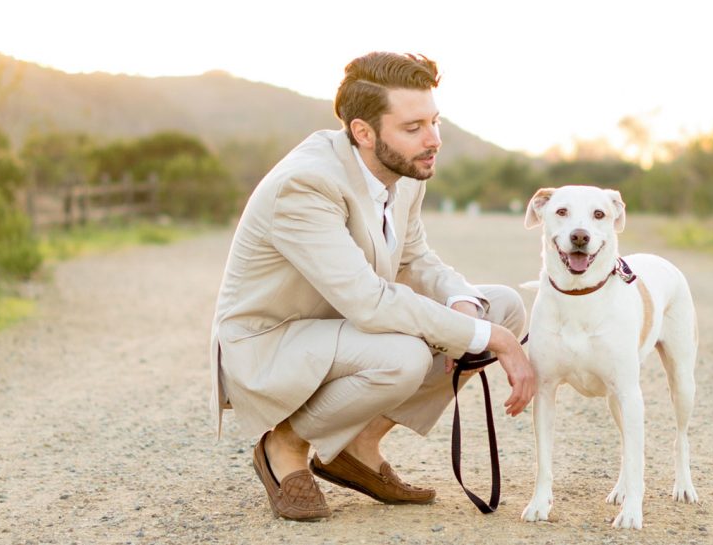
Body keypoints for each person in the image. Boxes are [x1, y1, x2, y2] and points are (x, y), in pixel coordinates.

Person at [210, 51, 534, 521]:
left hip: (344, 328)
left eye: (434, 122)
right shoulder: (306, 183)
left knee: (498, 306)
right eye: (414, 127)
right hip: (273, 341)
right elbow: (368, 303)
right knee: (404, 356)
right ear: (363, 131)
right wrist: (487, 339)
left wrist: (464, 305)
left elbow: (414, 258)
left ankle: (357, 446)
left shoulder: (403, 169)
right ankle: (284, 445)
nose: (433, 140)